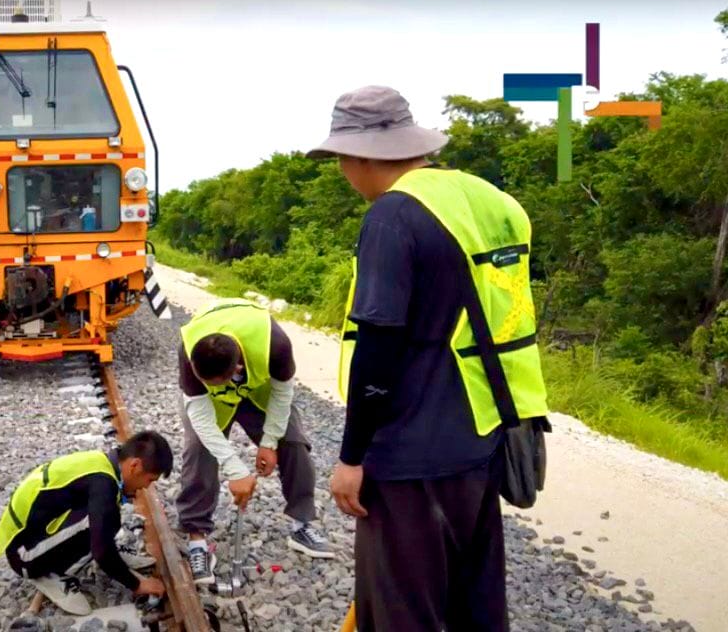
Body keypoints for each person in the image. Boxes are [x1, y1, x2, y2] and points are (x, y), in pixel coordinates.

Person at [308, 85, 550, 631]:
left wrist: (351, 458)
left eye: (342, 160)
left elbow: (377, 348)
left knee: (401, 613)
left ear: (362, 155)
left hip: (409, 455)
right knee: (475, 605)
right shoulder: (490, 200)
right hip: (484, 436)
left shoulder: (393, 216)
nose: (345, 174)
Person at [177, 297, 333, 585]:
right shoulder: (190, 351)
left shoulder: (276, 344)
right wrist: (235, 468)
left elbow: (283, 393)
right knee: (199, 450)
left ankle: (302, 524)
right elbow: (198, 411)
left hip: (259, 393)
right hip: (214, 405)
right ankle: (196, 537)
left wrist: (270, 441)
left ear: (235, 370)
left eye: (214, 381)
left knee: (294, 443)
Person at [0, 431, 173, 615]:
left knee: (108, 515)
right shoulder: (103, 483)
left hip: (31, 537)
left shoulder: (102, 464)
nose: (146, 487)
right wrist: (137, 584)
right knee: (104, 518)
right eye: (150, 480)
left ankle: (63, 560)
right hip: (24, 556)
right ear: (134, 465)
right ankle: (49, 576)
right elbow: (101, 551)